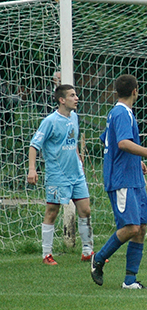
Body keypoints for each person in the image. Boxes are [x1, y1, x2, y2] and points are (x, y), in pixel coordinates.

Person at [91, 75, 147, 289]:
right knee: (131, 227)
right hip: (122, 180)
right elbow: (123, 143)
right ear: (136, 90)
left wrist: (136, 161)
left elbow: (107, 140)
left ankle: (130, 281)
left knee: (141, 227)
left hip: (133, 177)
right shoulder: (120, 112)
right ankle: (98, 258)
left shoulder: (121, 112)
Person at [27, 84, 94, 265]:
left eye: (76, 94)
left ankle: (87, 250)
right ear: (62, 100)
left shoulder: (75, 118)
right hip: (58, 174)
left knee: (85, 210)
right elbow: (34, 145)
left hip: (76, 173)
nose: (77, 98)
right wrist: (32, 169)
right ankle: (46, 254)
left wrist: (79, 159)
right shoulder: (50, 121)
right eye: (72, 95)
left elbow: (73, 141)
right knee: (52, 211)